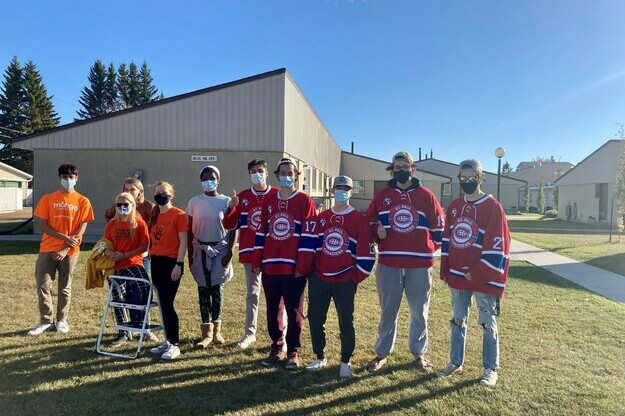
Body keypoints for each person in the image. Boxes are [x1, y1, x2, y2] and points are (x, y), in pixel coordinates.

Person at [365, 151, 445, 373]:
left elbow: (439, 228)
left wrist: (426, 248)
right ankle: (382, 353)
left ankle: (419, 353)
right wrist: (375, 230)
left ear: (413, 168)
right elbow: (369, 222)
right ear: (392, 169)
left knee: (419, 311)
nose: (400, 171)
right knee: (388, 311)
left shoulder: (426, 195)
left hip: (420, 265)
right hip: (389, 262)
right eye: (396, 167)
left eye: (404, 166)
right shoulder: (383, 196)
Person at [436, 159, 510, 387]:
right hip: (459, 276)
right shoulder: (456, 206)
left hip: (483, 278)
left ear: (481, 177)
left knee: (487, 323)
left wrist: (479, 272)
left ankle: (490, 368)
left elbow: (499, 242)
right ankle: (455, 361)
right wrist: (446, 267)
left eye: (472, 177)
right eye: (463, 178)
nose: (467, 182)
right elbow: (448, 239)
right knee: (458, 320)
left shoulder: (493, 206)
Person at [300, 176, 375, 378]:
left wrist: (355, 277)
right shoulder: (321, 217)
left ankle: (345, 361)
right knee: (316, 319)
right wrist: (311, 271)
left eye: (346, 188)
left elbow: (367, 253)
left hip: (345, 280)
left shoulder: (360, 219)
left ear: (351, 192)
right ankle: (319, 356)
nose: (342, 191)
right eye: (338, 188)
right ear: (332, 190)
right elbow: (312, 247)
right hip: (320, 278)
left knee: (346, 321)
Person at [252, 157, 316, 369]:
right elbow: (261, 232)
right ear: (277, 175)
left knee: (294, 310)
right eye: (283, 173)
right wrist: (257, 259)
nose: (287, 176)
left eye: (291, 173)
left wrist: (303, 264)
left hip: (294, 268)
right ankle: (277, 346)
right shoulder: (269, 201)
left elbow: (309, 235)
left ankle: (293, 351)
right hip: (271, 265)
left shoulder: (304, 201)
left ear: (296, 176)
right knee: (273, 309)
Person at [222, 159, 286, 350]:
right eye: (253, 171)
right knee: (252, 294)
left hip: (273, 254)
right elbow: (230, 224)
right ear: (249, 174)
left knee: (278, 297)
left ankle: (281, 336)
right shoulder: (242, 197)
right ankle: (250, 333)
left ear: (267, 173)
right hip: (250, 253)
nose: (257, 174)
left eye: (260, 170)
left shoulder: (278, 194)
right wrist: (231, 207)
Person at [28, 164, 95, 336]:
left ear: (76, 178)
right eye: (65, 177)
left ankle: (62, 320)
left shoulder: (83, 201)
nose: (68, 180)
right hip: (48, 248)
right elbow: (43, 225)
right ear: (59, 178)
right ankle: (45, 320)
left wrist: (66, 248)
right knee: (43, 283)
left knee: (65, 285)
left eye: (71, 177)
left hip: (70, 251)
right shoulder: (48, 199)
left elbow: (82, 227)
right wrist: (64, 237)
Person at [187, 165, 236, 349]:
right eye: (205, 178)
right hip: (200, 251)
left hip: (220, 250)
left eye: (212, 177)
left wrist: (230, 253)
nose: (209, 181)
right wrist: (191, 255)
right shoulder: (194, 202)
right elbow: (190, 231)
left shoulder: (226, 201)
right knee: (203, 290)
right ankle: (206, 333)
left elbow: (233, 228)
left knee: (216, 290)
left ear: (218, 180)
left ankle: (217, 331)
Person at [104, 177, 158, 343]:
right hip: (116, 264)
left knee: (141, 291)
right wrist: (109, 252)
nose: (123, 207)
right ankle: (123, 331)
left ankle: (143, 326)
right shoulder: (113, 222)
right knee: (118, 296)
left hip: (138, 260)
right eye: (125, 189)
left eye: (132, 190)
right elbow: (105, 242)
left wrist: (126, 255)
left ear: (139, 192)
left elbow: (145, 244)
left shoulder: (145, 214)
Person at [147, 182, 188, 360]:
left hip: (171, 263)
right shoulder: (154, 214)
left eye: (164, 192)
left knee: (168, 303)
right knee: (162, 304)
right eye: (157, 193)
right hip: (155, 262)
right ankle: (167, 339)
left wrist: (178, 264)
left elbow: (183, 241)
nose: (160, 195)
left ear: (171, 194)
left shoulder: (179, 215)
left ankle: (175, 343)